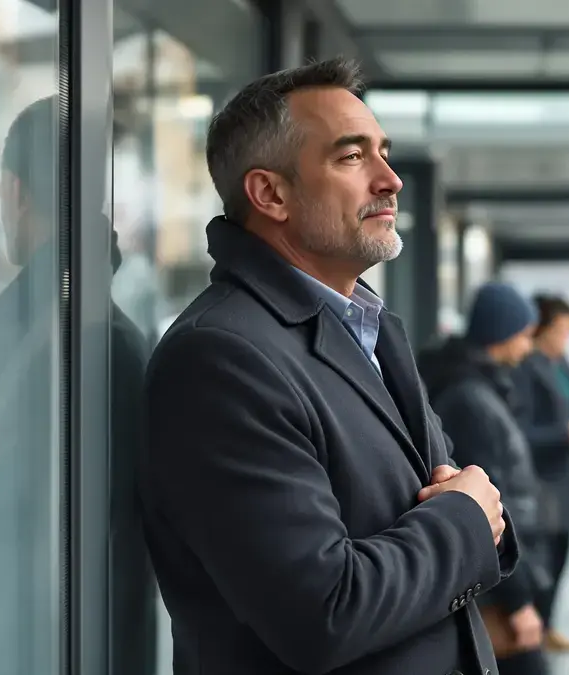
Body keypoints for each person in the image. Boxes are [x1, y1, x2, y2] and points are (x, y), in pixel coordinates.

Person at [139, 58, 518, 675]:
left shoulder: (368, 327)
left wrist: (474, 512)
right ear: (270, 194)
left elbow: (469, 495)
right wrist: (466, 519)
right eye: (351, 157)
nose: (390, 179)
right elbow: (325, 612)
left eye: (383, 152)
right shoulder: (221, 357)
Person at [0, 96, 155, 675]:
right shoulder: (115, 332)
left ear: (16, 193)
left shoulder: (9, 333)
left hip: (17, 645)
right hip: (106, 642)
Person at [418, 282, 551, 675]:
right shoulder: (472, 401)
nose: (529, 347)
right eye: (525, 335)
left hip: (501, 576)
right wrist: (519, 600)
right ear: (502, 333)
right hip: (498, 584)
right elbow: (489, 505)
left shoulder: (481, 388)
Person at [511, 294, 569, 653]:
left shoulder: (555, 364)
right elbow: (522, 432)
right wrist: (567, 433)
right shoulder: (527, 369)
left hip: (559, 477)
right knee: (544, 560)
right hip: (541, 481)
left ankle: (546, 625)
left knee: (560, 553)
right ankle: (534, 629)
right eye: (562, 330)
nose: (567, 337)